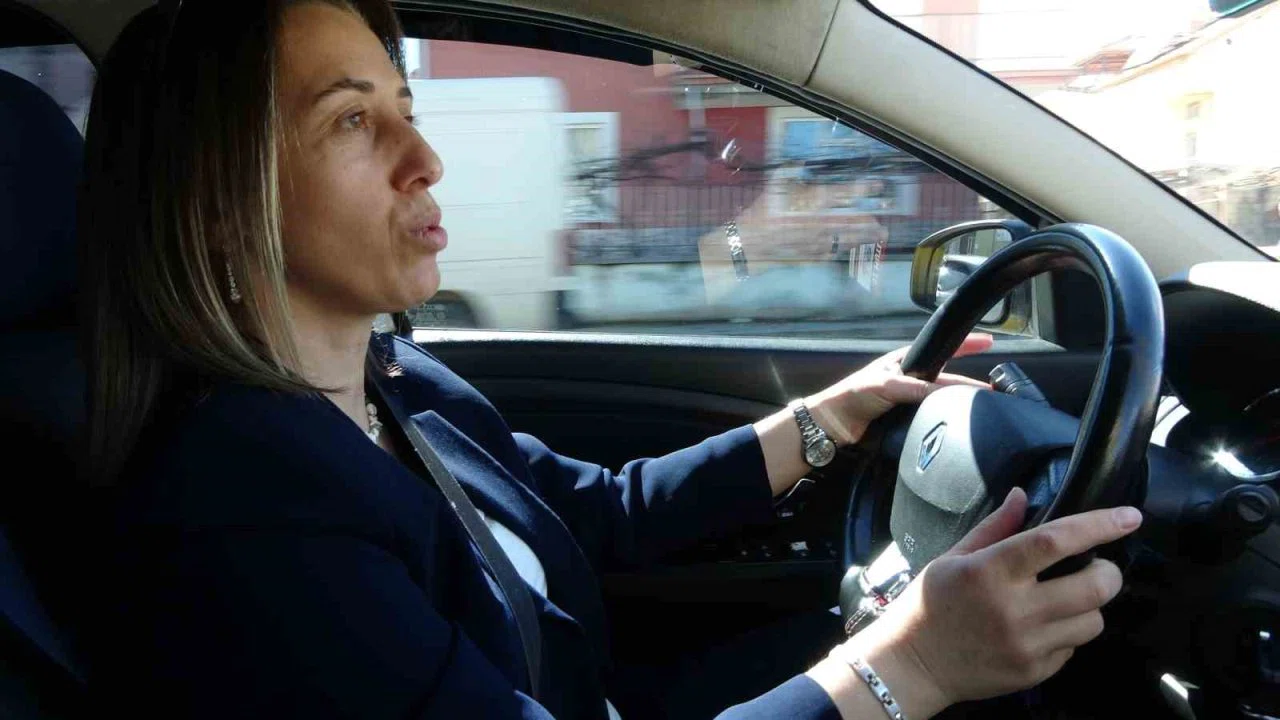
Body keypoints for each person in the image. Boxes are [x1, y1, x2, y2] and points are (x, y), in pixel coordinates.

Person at [78, 1, 1142, 718]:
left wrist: (830, 416)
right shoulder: (245, 515)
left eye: (405, 108)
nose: (425, 158)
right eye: (353, 121)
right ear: (221, 206)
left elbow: (599, 512)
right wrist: (910, 665)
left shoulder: (391, 383)